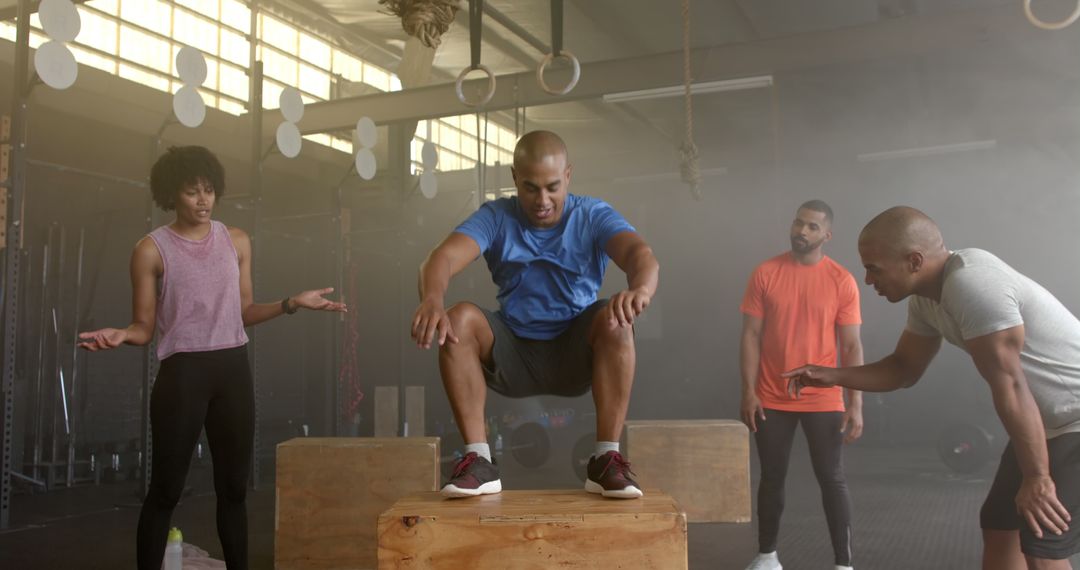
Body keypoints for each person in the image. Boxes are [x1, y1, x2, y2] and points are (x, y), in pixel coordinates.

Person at [77, 146, 346, 570]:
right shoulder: (150, 250)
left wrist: (292, 302)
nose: (203, 201)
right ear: (172, 195)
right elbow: (144, 328)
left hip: (233, 371)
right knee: (166, 490)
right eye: (191, 192)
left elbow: (244, 312)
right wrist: (120, 334)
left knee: (234, 490)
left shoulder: (236, 240)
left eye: (208, 191)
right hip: (183, 375)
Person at [785, 206, 1080, 570]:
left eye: (874, 268)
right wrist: (830, 375)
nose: (867, 280)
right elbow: (903, 368)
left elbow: (1012, 384)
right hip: (1051, 423)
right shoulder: (928, 298)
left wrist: (1037, 477)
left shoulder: (973, 286)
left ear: (913, 260)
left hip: (1076, 419)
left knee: (1041, 535)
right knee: (1000, 525)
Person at [410, 130, 659, 499]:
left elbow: (640, 253)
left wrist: (641, 289)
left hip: (576, 353)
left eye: (553, 187)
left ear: (569, 176)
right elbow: (442, 257)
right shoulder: (496, 217)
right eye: (530, 188)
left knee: (615, 319)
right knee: (458, 317)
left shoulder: (591, 215)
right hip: (514, 354)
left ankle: (606, 459)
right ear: (514, 178)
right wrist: (431, 298)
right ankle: (478, 461)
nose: (542, 200)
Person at [740, 200, 864, 570]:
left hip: (824, 398)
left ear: (827, 235)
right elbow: (750, 336)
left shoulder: (841, 280)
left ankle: (843, 564)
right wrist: (748, 390)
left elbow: (852, 345)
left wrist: (855, 403)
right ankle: (767, 557)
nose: (802, 232)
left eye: (812, 227)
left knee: (832, 478)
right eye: (798, 223)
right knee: (771, 476)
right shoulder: (765, 272)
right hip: (771, 395)